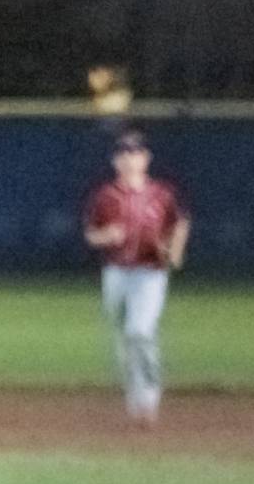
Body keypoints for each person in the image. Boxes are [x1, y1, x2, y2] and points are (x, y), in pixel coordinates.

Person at [82, 129, 191, 426]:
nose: (131, 159)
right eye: (125, 154)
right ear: (116, 160)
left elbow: (180, 222)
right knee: (123, 340)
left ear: (147, 158)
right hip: (116, 274)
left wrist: (176, 253)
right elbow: (91, 235)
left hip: (150, 273)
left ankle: (151, 396)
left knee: (140, 332)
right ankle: (136, 398)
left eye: (137, 153)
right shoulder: (105, 196)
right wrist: (108, 235)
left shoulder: (161, 194)